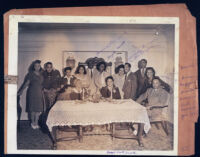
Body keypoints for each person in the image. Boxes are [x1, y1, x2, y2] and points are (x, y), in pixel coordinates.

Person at [17, 60, 44, 129]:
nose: (37, 67)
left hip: (39, 93)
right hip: (32, 93)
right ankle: (33, 123)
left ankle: (36, 123)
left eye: (38, 66)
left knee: (38, 109)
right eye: (35, 66)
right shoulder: (30, 74)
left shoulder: (42, 74)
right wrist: (21, 90)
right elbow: (26, 83)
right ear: (33, 67)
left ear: (40, 66)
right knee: (32, 109)